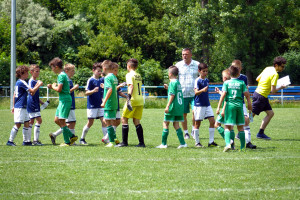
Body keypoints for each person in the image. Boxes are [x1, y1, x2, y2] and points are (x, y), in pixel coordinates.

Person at [216, 65, 252, 152]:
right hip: (239, 106)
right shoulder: (242, 83)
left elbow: (223, 95)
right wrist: (249, 104)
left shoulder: (226, 83)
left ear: (229, 73)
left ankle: (228, 144)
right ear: (238, 73)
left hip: (230, 106)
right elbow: (247, 94)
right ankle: (242, 148)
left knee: (227, 127)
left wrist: (218, 107)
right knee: (240, 127)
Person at [7, 65, 43, 146]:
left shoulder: (18, 82)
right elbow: (32, 92)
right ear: (22, 74)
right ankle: (10, 141)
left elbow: (14, 95)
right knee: (18, 124)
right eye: (26, 73)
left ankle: (26, 141)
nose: (27, 74)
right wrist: (38, 84)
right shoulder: (22, 82)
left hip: (23, 106)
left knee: (27, 122)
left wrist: (13, 106)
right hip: (20, 107)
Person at [252, 56, 286, 140]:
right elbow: (273, 91)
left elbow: (257, 79)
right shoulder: (275, 74)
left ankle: (260, 133)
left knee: (270, 113)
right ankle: (239, 133)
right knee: (250, 115)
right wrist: (281, 87)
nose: (283, 68)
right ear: (276, 65)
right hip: (261, 96)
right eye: (282, 66)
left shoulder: (267, 68)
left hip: (260, 95)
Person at [47, 57, 78, 147]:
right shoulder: (63, 75)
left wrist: (53, 86)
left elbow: (59, 89)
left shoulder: (61, 75)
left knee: (62, 120)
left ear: (56, 67)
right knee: (57, 120)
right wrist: (53, 86)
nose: (52, 69)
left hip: (65, 100)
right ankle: (72, 136)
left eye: (52, 67)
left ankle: (67, 142)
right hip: (62, 100)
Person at [116, 58, 145, 147]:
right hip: (140, 100)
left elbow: (131, 86)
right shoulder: (138, 75)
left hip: (133, 99)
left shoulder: (129, 75)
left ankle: (124, 142)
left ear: (128, 66)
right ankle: (141, 143)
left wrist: (128, 97)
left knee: (124, 118)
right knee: (136, 121)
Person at [156, 66, 187, 149]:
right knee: (176, 124)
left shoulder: (172, 83)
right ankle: (183, 143)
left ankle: (163, 144)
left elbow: (172, 95)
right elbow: (175, 92)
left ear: (170, 74)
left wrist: (167, 106)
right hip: (179, 107)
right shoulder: (177, 82)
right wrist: (168, 88)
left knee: (165, 123)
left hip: (173, 106)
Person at [79, 62, 106, 145]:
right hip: (92, 105)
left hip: (100, 105)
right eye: (98, 71)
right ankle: (82, 139)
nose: (100, 72)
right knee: (90, 122)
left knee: (104, 121)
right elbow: (86, 93)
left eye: (100, 71)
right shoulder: (90, 80)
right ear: (93, 70)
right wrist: (93, 91)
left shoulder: (101, 80)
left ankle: (106, 139)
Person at [232, 60, 257, 149]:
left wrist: (249, 103)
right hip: (230, 104)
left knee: (246, 120)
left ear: (241, 68)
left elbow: (246, 92)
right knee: (230, 124)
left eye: (238, 68)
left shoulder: (244, 78)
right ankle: (231, 143)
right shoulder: (228, 77)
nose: (236, 69)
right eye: (234, 68)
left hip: (241, 103)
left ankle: (248, 142)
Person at [175, 48, 199, 139]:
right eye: (183, 54)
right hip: (182, 94)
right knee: (183, 114)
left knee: (195, 112)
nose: (184, 56)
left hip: (194, 94)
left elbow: (201, 77)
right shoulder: (178, 65)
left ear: (191, 55)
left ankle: (193, 130)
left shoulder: (197, 64)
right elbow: (174, 77)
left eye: (186, 54)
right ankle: (186, 132)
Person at [193, 63, 218, 148]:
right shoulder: (197, 80)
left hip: (207, 104)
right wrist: (202, 90)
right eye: (204, 71)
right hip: (199, 105)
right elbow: (196, 92)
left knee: (212, 121)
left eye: (206, 71)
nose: (205, 73)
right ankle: (197, 142)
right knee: (198, 123)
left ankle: (211, 142)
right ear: (199, 71)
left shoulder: (206, 80)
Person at [27, 64, 49, 146]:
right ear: (31, 72)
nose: (38, 73)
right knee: (38, 120)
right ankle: (34, 141)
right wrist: (39, 85)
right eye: (36, 71)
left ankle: (28, 140)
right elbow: (32, 93)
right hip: (32, 104)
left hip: (35, 103)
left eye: (39, 71)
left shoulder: (35, 81)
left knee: (31, 121)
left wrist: (41, 102)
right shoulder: (31, 81)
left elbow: (35, 95)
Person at [100, 60, 120, 147]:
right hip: (114, 102)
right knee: (110, 121)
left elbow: (110, 89)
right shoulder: (114, 77)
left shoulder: (107, 77)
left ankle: (111, 142)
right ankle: (115, 139)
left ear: (104, 68)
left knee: (108, 122)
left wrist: (104, 101)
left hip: (109, 103)